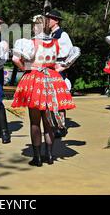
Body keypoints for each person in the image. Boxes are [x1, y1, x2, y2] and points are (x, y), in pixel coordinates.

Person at [12, 15, 75, 167]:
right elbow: (69, 58)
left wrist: (26, 68)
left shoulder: (30, 43)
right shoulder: (56, 43)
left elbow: (15, 59)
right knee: (49, 122)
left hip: (35, 79)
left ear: (36, 27)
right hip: (53, 79)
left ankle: (37, 158)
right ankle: (50, 156)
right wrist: (58, 68)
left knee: (35, 121)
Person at [45, 10, 79, 138]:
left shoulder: (62, 35)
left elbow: (71, 53)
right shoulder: (50, 34)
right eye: (47, 19)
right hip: (49, 68)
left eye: (50, 19)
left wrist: (62, 67)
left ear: (56, 21)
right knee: (49, 97)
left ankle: (61, 126)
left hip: (58, 69)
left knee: (58, 97)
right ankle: (53, 124)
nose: (47, 21)